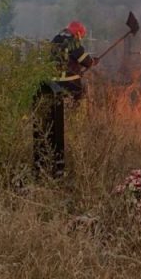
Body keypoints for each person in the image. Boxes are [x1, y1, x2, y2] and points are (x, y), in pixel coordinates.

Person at [33, 20, 96, 177]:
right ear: (78, 33)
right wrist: (92, 61)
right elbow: (84, 59)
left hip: (54, 84)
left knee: (57, 112)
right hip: (71, 84)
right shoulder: (73, 41)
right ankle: (75, 130)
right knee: (77, 108)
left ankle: (61, 129)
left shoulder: (56, 39)